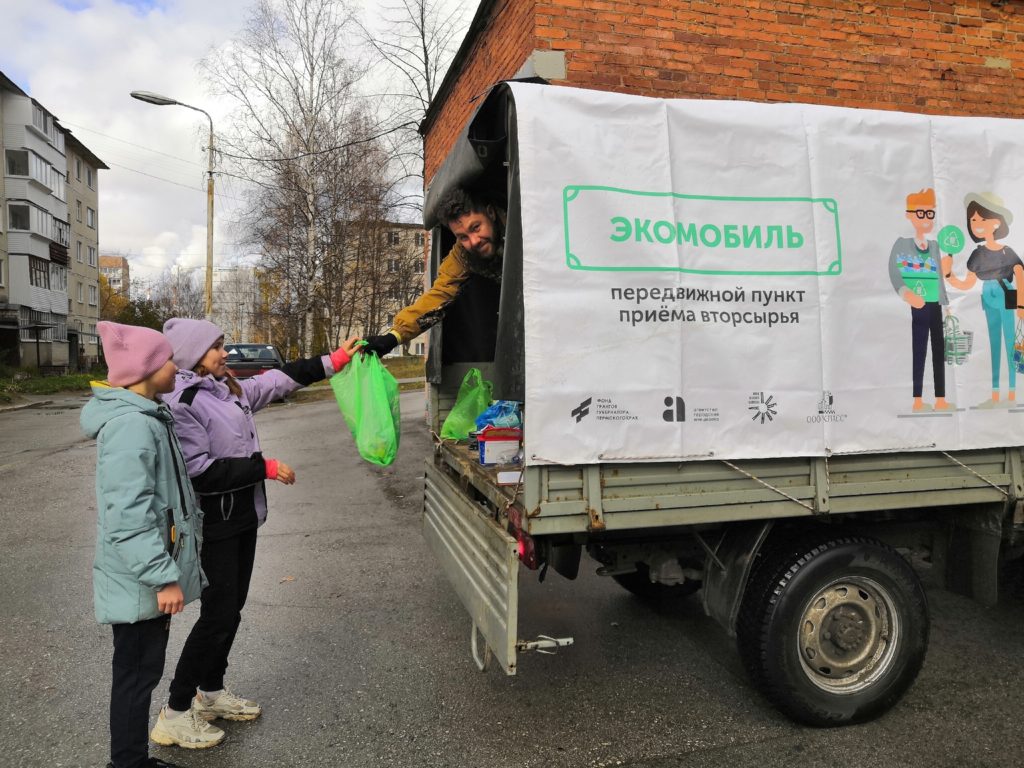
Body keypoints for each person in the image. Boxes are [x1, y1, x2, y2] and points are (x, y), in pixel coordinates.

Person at [149, 318, 359, 750]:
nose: (224, 353)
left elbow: (278, 381)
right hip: (215, 523)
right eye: (216, 347)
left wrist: (334, 360)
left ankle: (210, 691)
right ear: (191, 353)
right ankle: (173, 711)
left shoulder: (227, 389)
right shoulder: (185, 398)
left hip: (244, 516)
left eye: (223, 345)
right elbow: (201, 472)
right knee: (216, 616)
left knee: (233, 609)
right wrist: (265, 467)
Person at [81, 321, 207, 768]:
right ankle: (127, 763)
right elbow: (128, 517)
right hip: (140, 579)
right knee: (136, 676)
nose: (177, 366)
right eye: (169, 358)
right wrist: (162, 576)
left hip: (144, 577)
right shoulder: (132, 426)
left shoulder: (150, 415)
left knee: (141, 674)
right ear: (146, 367)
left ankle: (131, 760)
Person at [362, 186, 506, 355]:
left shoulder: (523, 225)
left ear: (491, 213)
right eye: (463, 237)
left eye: (476, 227)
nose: (473, 242)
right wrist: (394, 337)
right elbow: (440, 295)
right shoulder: (462, 255)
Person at [943, 192, 1024, 407]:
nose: (976, 223)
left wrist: (1022, 304)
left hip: (1006, 296)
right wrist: (949, 274)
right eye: (973, 220)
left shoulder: (1008, 252)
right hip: (988, 298)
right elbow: (966, 284)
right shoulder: (977, 255)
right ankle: (996, 395)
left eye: (981, 218)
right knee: (994, 344)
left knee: (1010, 345)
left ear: (996, 222)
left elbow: (1020, 275)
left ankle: (1013, 395)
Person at [888, 188, 953, 412]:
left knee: (938, 351)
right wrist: (908, 295)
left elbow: (939, 278)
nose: (926, 219)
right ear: (909, 215)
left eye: (930, 214)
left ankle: (940, 398)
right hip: (918, 305)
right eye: (921, 213)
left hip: (935, 304)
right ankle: (917, 399)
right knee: (919, 350)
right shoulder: (902, 244)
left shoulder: (935, 246)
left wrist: (946, 303)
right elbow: (895, 275)